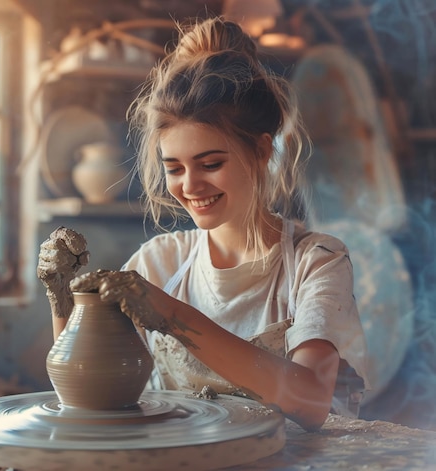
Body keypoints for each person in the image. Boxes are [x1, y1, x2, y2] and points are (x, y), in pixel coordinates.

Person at [38, 16, 370, 432]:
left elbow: (310, 399)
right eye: (174, 168)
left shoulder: (316, 261)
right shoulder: (158, 263)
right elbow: (86, 384)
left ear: (263, 151)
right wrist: (62, 298)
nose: (190, 186)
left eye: (211, 164)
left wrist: (170, 314)